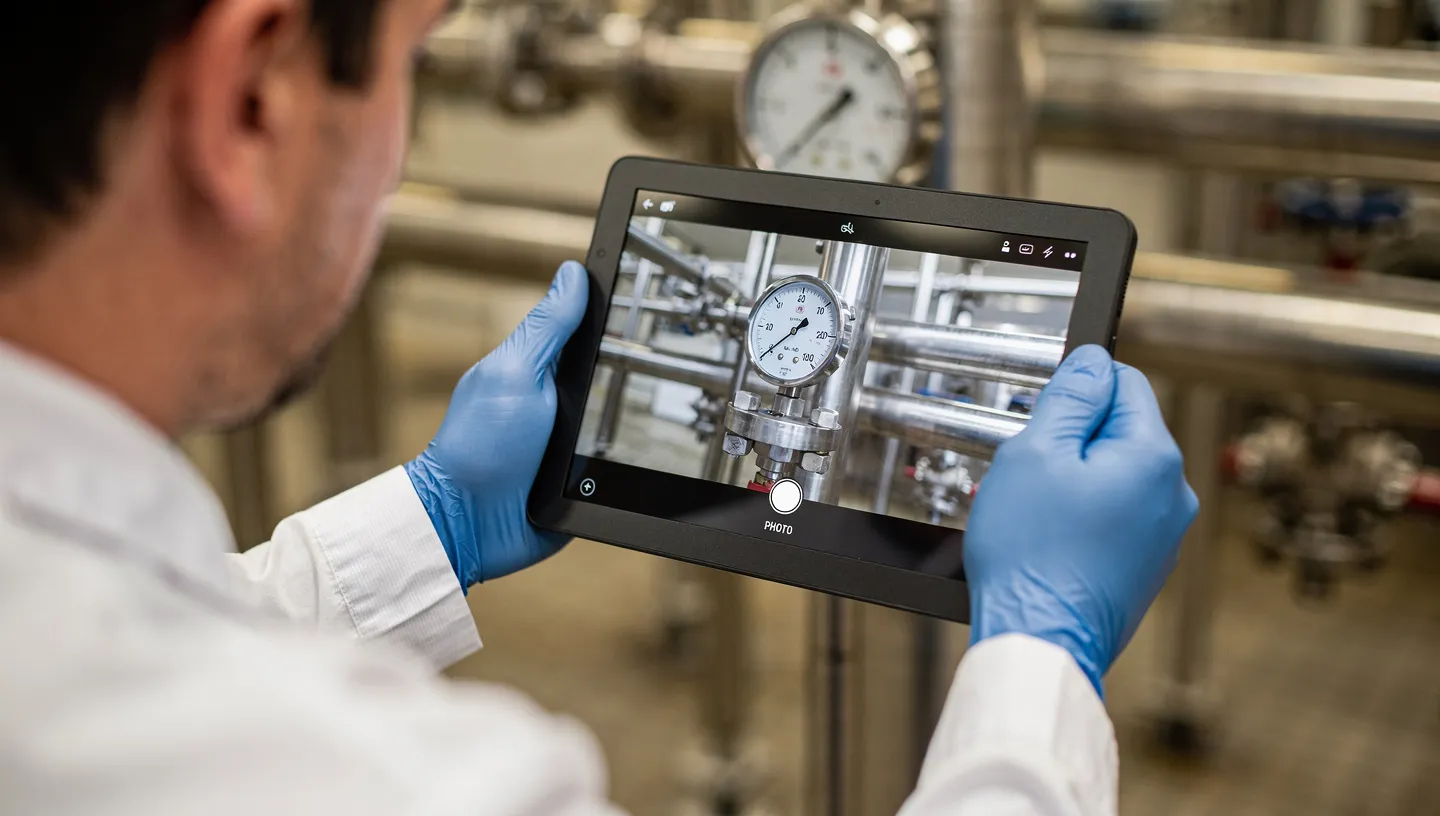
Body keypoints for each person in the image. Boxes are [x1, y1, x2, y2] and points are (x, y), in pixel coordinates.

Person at [0, 1, 1197, 814]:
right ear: (248, 100)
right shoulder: (389, 784)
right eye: (413, 65)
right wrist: (1041, 655)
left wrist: (431, 522)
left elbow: (162, 638)